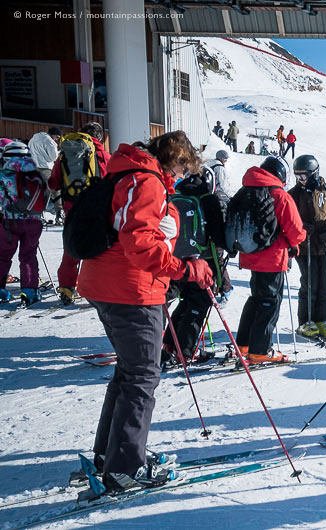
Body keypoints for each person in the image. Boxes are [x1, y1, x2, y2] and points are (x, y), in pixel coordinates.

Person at [78, 131, 215, 493]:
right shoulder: (148, 180)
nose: (185, 176)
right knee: (141, 377)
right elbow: (138, 244)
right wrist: (186, 270)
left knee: (130, 373)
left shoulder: (128, 171)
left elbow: (136, 233)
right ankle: (123, 468)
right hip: (130, 290)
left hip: (108, 284)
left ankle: (110, 456)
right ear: (177, 159)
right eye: (185, 168)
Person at [234, 156, 306, 363]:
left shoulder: (246, 190)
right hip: (272, 258)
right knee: (270, 302)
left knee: (256, 298)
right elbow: (295, 230)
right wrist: (294, 242)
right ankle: (260, 350)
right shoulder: (279, 195)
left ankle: (244, 344)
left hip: (249, 254)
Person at [162, 165, 230, 368]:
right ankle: (184, 350)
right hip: (204, 259)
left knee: (185, 300)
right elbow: (218, 234)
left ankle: (169, 345)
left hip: (177, 257)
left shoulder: (176, 194)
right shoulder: (209, 198)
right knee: (199, 302)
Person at [49, 122, 110, 305]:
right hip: (98, 208)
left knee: (71, 249)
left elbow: (53, 183)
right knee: (99, 250)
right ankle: (97, 289)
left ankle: (67, 289)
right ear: (100, 138)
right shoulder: (103, 155)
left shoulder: (65, 155)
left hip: (72, 207)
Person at [290, 154, 326, 340]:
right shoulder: (294, 194)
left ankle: (322, 320)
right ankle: (305, 321)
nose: (300, 180)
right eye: (297, 176)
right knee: (309, 283)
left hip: (325, 246)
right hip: (304, 247)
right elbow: (288, 219)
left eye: (303, 176)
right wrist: (303, 227)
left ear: (314, 173)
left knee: (325, 284)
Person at [0, 142, 46, 305]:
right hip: (33, 221)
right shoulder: (36, 173)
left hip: (9, 221)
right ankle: (29, 290)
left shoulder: (4, 173)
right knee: (28, 255)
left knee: (3, 255)